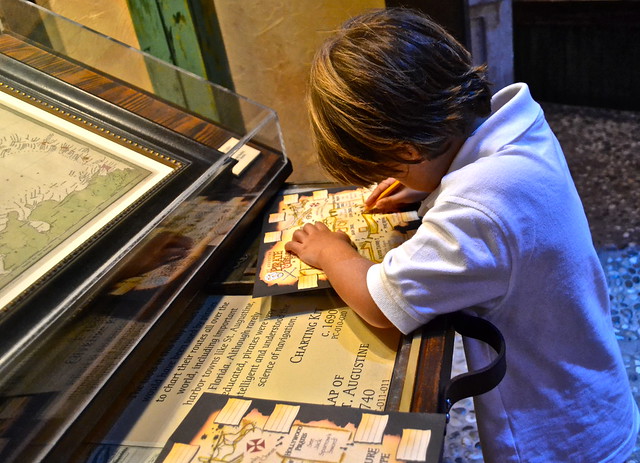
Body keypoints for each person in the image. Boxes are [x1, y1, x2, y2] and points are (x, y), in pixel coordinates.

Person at [284, 8, 639, 463]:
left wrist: (333, 253)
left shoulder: (474, 213)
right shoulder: (518, 127)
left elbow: (381, 304)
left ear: (409, 150)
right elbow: (484, 187)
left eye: (392, 166)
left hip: (556, 437)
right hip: (595, 393)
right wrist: (426, 181)